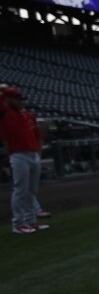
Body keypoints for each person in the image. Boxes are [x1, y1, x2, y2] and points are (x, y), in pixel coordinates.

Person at [1, 86, 48, 234]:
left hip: (32, 154)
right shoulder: (5, 113)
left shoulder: (27, 115)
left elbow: (38, 136)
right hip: (18, 154)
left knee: (31, 190)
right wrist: (2, 91)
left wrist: (38, 154)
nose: (21, 102)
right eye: (17, 99)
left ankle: (31, 220)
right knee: (20, 189)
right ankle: (18, 223)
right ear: (8, 100)